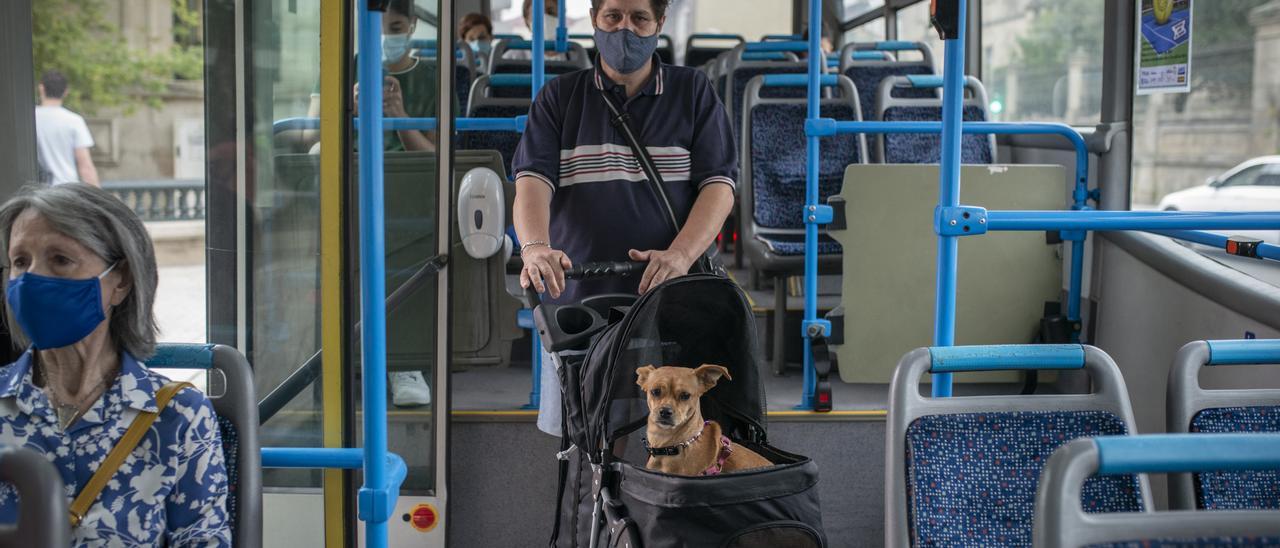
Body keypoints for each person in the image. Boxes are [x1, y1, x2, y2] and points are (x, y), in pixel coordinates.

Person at [511, 0, 737, 435]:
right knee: (585, 442)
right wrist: (535, 247)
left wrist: (681, 254)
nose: (625, 29)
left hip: (670, 295)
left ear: (660, 23)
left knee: (677, 435)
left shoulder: (693, 92)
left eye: (639, 18)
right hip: (578, 297)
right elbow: (532, 183)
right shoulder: (560, 97)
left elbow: (719, 186)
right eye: (613, 16)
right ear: (595, 20)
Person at [0, 183, 229, 545]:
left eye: (60, 260)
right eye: (20, 262)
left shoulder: (178, 417)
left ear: (120, 279)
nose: (31, 279)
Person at [304, 0, 442, 153]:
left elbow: (435, 159)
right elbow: (311, 136)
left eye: (395, 28)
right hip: (351, 166)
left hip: (408, 170)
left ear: (413, 24)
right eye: (375, 28)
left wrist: (399, 116)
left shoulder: (436, 81)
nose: (384, 38)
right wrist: (349, 111)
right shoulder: (338, 70)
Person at [34, 71, 99, 186]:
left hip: (37, 192)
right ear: (66, 92)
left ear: (41, 88)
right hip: (67, 191)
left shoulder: (30, 118)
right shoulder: (74, 121)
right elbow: (85, 166)